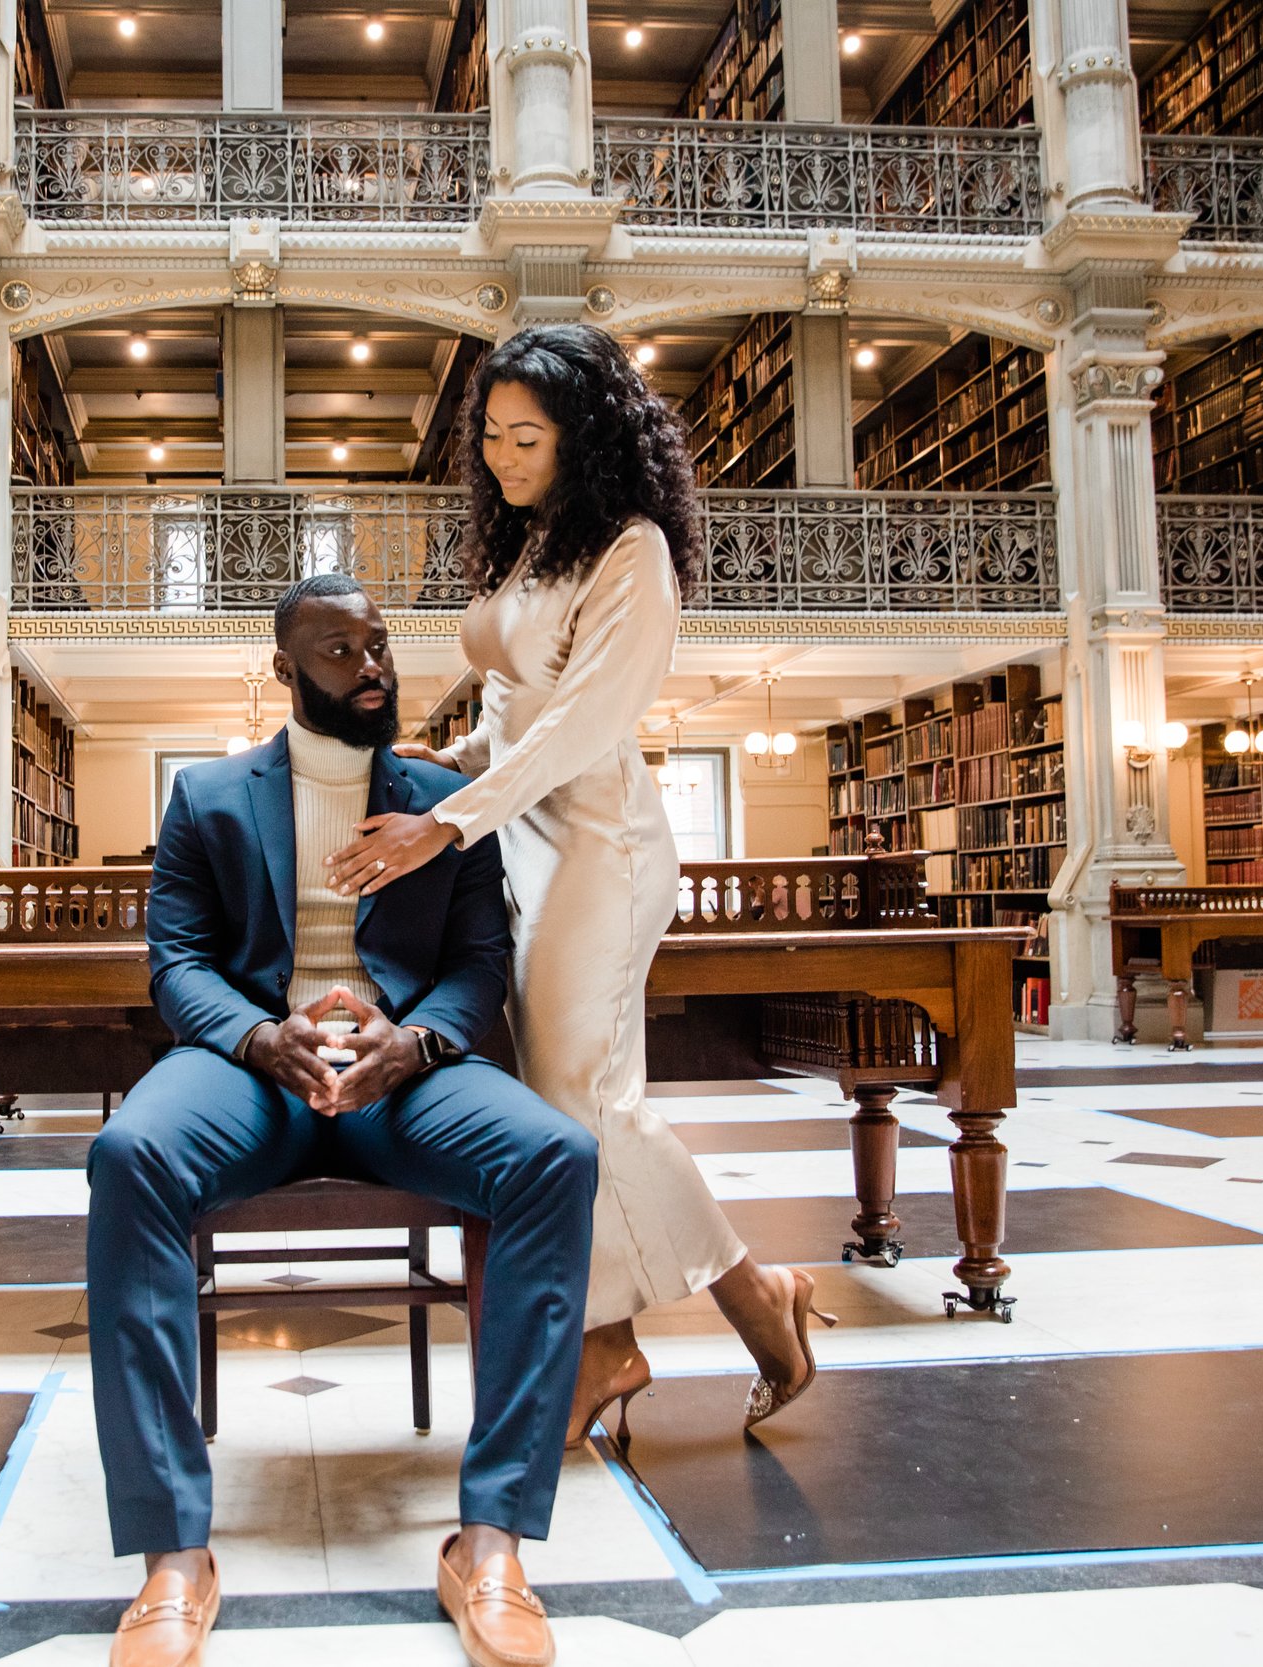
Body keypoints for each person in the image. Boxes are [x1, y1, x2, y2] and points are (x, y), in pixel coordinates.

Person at [325, 324, 835, 1452]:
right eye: (492, 437)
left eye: (528, 437)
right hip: (521, 842)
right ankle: (679, 1321)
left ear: (586, 435)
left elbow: (585, 726)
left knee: (582, 1101)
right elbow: (512, 717)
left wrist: (442, 824)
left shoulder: (631, 550)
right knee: (565, 1106)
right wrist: (428, 777)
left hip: (601, 848)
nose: (504, 459)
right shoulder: (536, 542)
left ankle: (693, 1318)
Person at [87, 572, 598, 1667]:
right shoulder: (208, 795)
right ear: (284, 670)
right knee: (129, 1153)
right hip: (251, 1074)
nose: (370, 667)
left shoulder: (440, 804)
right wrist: (254, 1036)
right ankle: (173, 1552)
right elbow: (173, 962)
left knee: (556, 1154)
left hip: (400, 1076)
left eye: (377, 645)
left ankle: (491, 1537)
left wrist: (411, 1043)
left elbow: (475, 965)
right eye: (337, 651)